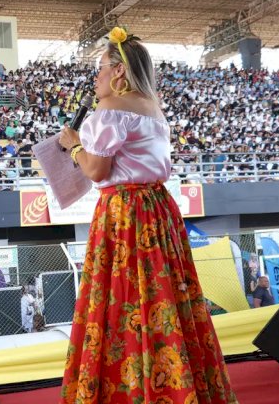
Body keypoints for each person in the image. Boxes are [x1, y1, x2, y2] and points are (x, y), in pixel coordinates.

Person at [57, 27, 237, 404]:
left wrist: (73, 147)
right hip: (158, 209)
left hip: (124, 214)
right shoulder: (153, 108)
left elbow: (96, 171)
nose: (98, 76)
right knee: (165, 297)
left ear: (120, 71)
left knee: (120, 298)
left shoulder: (109, 111)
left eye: (102, 68)